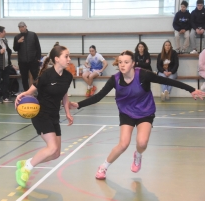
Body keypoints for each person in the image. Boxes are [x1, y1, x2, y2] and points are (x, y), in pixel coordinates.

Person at [69, 50, 205, 180]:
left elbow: (168, 81)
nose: (122, 65)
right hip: (126, 112)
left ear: (133, 63)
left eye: (126, 62)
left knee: (142, 142)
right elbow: (98, 96)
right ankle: (103, 167)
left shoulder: (144, 75)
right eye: (121, 62)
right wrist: (79, 104)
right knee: (123, 144)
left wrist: (191, 89)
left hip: (145, 112)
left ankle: (138, 155)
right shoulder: (115, 79)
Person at [14, 46, 73, 188]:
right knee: (52, 148)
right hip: (41, 114)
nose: (69, 59)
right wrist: (22, 95)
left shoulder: (68, 76)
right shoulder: (47, 75)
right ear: (56, 59)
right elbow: (32, 89)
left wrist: (67, 112)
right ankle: (26, 168)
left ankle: (26, 162)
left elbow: (64, 95)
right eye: (66, 56)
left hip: (54, 115)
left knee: (56, 153)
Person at [13, 21, 41, 91]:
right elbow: (15, 49)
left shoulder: (33, 35)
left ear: (26, 27)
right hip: (22, 61)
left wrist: (38, 58)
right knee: (24, 78)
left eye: (22, 27)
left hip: (33, 60)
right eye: (19, 27)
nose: (21, 28)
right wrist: (18, 42)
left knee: (36, 77)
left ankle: (40, 91)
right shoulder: (17, 37)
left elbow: (38, 47)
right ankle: (26, 92)